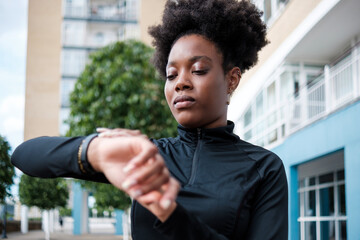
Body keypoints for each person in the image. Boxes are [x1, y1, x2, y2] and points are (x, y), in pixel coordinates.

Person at [11, 0, 288, 239]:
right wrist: (95, 151)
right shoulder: (147, 155)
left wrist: (167, 210)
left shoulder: (264, 169)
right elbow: (25, 155)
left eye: (198, 69)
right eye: (171, 75)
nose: (181, 83)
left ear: (232, 79)